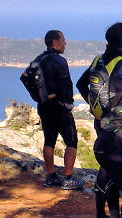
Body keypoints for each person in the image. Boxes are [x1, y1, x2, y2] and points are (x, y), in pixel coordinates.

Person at [76, 22, 122, 218]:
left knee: (106, 167)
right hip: (119, 126)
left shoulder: (98, 59)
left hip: (100, 121)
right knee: (112, 170)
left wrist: (94, 106)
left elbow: (80, 83)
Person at [37, 30, 84, 190]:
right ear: (55, 43)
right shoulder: (59, 60)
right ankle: (68, 179)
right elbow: (66, 83)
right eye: (63, 40)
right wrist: (68, 103)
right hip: (59, 107)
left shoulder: (40, 59)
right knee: (71, 141)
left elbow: (26, 79)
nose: (65, 43)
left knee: (49, 140)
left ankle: (50, 177)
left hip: (44, 106)